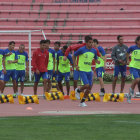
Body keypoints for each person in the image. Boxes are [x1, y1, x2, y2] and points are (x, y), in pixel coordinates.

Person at [73, 35, 99, 107]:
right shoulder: (81, 49)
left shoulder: (94, 50)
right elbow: (74, 56)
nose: (91, 44)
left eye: (92, 42)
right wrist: (76, 65)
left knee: (89, 87)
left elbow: (95, 58)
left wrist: (97, 62)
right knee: (86, 85)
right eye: (90, 42)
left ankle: (82, 102)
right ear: (86, 43)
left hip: (89, 70)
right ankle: (78, 91)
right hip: (82, 70)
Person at [126, 36, 140, 103]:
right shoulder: (133, 47)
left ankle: (129, 95)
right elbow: (127, 52)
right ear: (137, 41)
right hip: (133, 67)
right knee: (137, 79)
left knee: (135, 82)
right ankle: (131, 91)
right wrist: (127, 60)